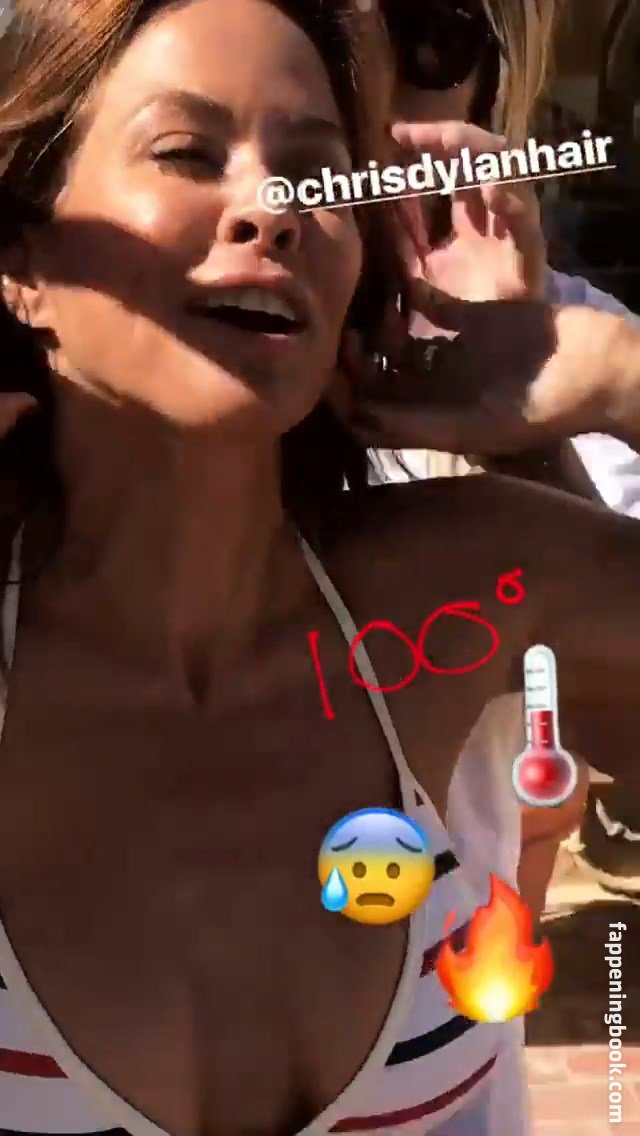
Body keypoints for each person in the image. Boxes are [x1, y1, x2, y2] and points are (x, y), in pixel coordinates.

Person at [1, 1, 640, 1135]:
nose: (273, 210)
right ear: (25, 260)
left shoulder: (471, 589)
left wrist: (613, 377)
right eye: (186, 152)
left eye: (316, 175)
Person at [372, 0, 640, 922]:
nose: (368, 83)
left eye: (423, 34)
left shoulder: (570, 335)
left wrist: (593, 391)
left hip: (443, 985)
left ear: (488, 82)